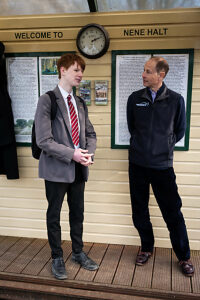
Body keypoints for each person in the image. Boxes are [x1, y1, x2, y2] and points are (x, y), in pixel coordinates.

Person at [126, 56, 194, 277]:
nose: (143, 75)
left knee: (172, 212)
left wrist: (163, 147)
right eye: (144, 71)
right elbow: (132, 127)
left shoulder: (176, 100)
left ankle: (184, 256)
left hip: (163, 167)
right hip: (137, 165)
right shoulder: (135, 98)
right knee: (140, 210)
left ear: (160, 75)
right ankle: (147, 247)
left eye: (147, 71)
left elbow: (179, 130)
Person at [35, 53, 98, 280]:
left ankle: (78, 253)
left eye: (82, 70)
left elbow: (90, 133)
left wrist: (88, 153)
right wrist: (72, 154)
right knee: (54, 214)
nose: (80, 74)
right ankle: (57, 257)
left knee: (77, 213)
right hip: (56, 169)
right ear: (62, 70)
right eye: (76, 70)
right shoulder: (47, 100)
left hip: (79, 169)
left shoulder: (79, 102)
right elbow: (43, 140)